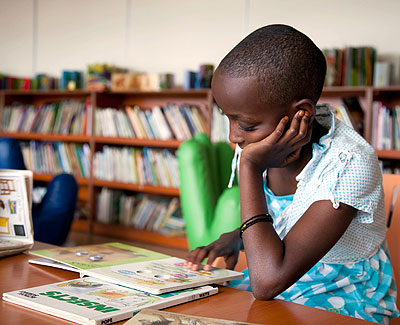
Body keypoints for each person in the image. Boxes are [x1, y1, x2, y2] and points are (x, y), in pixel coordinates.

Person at [185, 24, 399, 324]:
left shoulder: (348, 165)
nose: (234, 136)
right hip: (286, 285)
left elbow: (267, 282)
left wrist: (249, 168)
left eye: (245, 124)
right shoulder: (277, 146)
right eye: (227, 118)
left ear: (302, 113)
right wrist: (236, 237)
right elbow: (287, 221)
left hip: (344, 299)